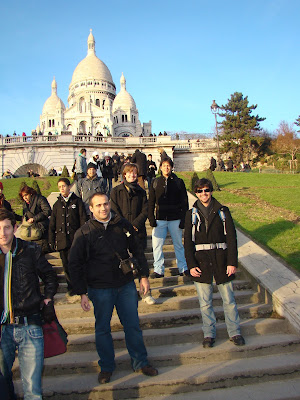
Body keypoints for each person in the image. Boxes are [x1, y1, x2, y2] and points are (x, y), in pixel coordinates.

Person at [68, 193, 158, 384]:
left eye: (106, 204)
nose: (103, 208)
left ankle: (140, 362)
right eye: (98, 205)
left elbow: (137, 250)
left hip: (125, 285)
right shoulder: (84, 232)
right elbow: (74, 264)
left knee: (132, 326)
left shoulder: (122, 224)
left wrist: (143, 276)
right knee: (102, 329)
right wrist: (81, 292)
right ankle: (107, 367)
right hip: (100, 289)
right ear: (91, 209)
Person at [0, 208, 58, 400]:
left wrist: (48, 297)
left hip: (29, 325)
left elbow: (50, 275)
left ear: (15, 228)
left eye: (7, 228)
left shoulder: (30, 250)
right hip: (2, 329)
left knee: (33, 390)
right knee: (2, 383)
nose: (3, 233)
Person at [184, 178, 245, 348]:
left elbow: (231, 238)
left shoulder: (223, 211)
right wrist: (190, 265)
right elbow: (188, 242)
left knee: (229, 300)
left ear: (211, 191)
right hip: (201, 262)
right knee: (205, 302)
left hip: (221, 260)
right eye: (200, 191)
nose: (204, 194)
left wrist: (232, 262)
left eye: (206, 190)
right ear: (196, 193)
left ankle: (235, 331)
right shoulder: (191, 214)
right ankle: (209, 333)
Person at [110, 164, 156, 305]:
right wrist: (125, 227)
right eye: (129, 173)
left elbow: (145, 210)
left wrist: (135, 225)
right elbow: (114, 210)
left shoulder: (141, 192)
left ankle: (146, 293)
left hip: (137, 232)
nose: (132, 175)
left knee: (141, 263)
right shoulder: (116, 191)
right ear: (124, 175)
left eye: (134, 173)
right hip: (121, 232)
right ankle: (125, 295)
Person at [148, 157, 188, 277]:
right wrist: (151, 217)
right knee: (157, 245)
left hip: (175, 218)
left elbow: (184, 202)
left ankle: (183, 268)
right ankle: (158, 269)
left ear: (171, 167)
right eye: (164, 165)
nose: (166, 167)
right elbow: (151, 201)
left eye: (168, 165)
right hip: (160, 218)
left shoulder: (178, 182)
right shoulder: (155, 182)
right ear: (160, 167)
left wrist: (183, 219)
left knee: (178, 245)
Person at [49, 178, 87, 301]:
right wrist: (52, 240)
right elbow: (52, 224)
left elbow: (83, 220)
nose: (62, 189)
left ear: (69, 187)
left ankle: (80, 286)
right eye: (59, 187)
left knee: (77, 264)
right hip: (62, 240)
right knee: (66, 265)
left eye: (64, 186)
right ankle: (71, 287)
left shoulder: (77, 201)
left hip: (75, 239)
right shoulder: (56, 204)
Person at [19, 185, 52, 254]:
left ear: (30, 193)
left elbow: (47, 211)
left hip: (42, 229)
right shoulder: (25, 204)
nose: (25, 197)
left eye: (26, 195)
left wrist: (34, 218)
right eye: (23, 196)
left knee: (43, 252)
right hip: (32, 232)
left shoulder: (40, 199)